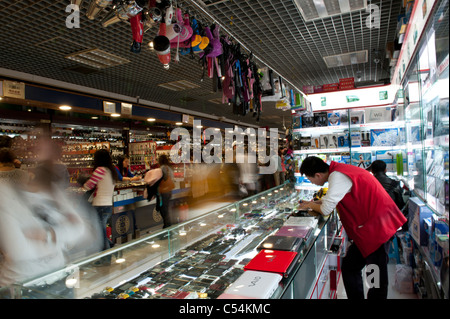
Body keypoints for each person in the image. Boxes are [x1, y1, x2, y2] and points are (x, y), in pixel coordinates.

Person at [298, 156, 407, 299]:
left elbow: (326, 209)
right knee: (350, 267)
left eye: (310, 179)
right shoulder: (338, 172)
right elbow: (332, 198)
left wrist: (310, 205)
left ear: (318, 175)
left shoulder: (337, 176)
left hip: (376, 230)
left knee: (374, 276)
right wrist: (312, 203)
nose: (311, 182)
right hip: (369, 230)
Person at [83, 149, 118, 252]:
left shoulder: (100, 170)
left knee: (101, 232)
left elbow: (88, 186)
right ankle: (111, 246)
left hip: (99, 204)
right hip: (108, 204)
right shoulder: (112, 171)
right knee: (101, 230)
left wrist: (83, 183)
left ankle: (106, 257)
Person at [157, 154, 175, 228]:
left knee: (164, 209)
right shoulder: (169, 168)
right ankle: (167, 224)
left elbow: (161, 179)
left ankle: (167, 225)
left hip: (164, 191)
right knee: (165, 208)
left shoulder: (162, 168)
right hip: (169, 190)